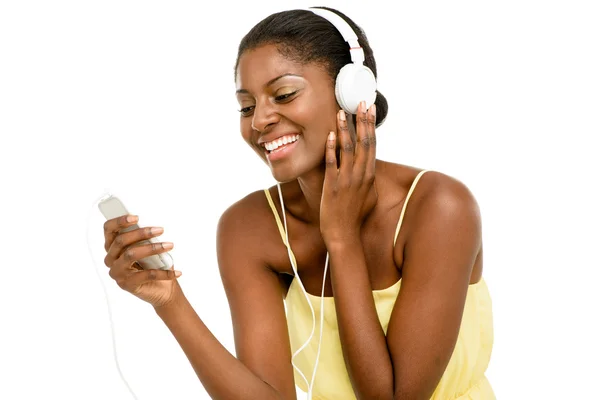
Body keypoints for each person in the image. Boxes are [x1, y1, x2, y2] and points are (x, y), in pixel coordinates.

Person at [102, 6, 494, 399]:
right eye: (247, 106)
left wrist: (340, 238)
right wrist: (170, 301)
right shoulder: (249, 228)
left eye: (284, 94)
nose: (259, 122)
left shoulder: (440, 207)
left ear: (352, 91)